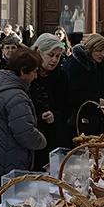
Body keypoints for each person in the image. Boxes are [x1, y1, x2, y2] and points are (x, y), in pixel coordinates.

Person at [0, 47, 46, 207]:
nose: (36, 76)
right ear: (23, 71)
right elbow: (25, 133)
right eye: (34, 72)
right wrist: (42, 141)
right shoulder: (16, 95)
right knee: (9, 206)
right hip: (10, 157)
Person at [29, 34, 71, 169]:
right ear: (38, 52)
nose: (54, 60)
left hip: (55, 136)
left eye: (58, 56)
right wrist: (39, 116)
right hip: (32, 135)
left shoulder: (62, 76)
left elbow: (67, 107)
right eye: (50, 55)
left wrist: (55, 115)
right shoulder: (28, 74)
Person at [62, 33, 104, 137]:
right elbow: (74, 92)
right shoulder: (76, 64)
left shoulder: (96, 64)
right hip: (77, 117)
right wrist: (97, 100)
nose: (102, 54)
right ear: (90, 49)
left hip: (91, 115)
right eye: (98, 51)